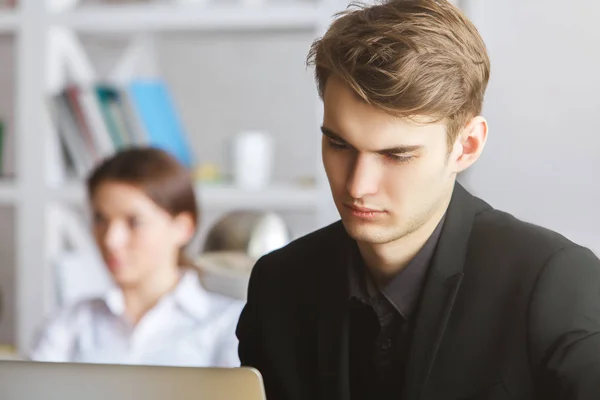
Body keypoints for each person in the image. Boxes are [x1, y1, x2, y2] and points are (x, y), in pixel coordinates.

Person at [236, 1, 600, 399]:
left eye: (396, 156)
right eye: (339, 144)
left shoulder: (552, 281)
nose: (358, 186)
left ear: (466, 146)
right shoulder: (279, 284)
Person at [29, 147, 244, 367]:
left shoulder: (231, 325)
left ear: (182, 228)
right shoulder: (69, 323)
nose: (111, 239)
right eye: (100, 219)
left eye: (134, 222)